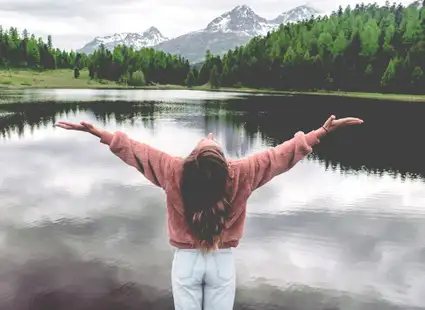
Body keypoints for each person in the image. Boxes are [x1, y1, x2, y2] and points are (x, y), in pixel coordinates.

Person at [55, 115, 363, 310]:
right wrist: (320, 132)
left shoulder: (173, 170)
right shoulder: (241, 173)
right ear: (222, 161)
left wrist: (99, 133)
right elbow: (279, 156)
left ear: (192, 157)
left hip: (186, 262)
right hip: (222, 263)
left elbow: (137, 153)